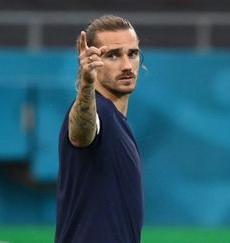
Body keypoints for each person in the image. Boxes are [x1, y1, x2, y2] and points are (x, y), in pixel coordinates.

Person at [55, 15, 143, 243]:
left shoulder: (118, 122)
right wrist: (86, 84)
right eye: (112, 55)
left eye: (132, 54)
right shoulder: (97, 110)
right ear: (90, 60)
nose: (126, 65)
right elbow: (82, 133)